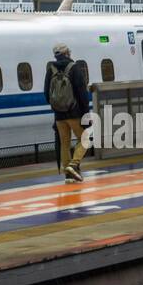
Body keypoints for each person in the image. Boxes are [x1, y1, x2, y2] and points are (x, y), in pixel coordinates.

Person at [44, 43, 92, 182]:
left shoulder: (50, 69)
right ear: (67, 53)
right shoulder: (74, 68)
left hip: (59, 115)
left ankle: (68, 175)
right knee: (84, 139)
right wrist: (86, 115)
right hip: (74, 113)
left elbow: (46, 94)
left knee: (64, 144)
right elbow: (82, 94)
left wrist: (57, 107)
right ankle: (74, 164)